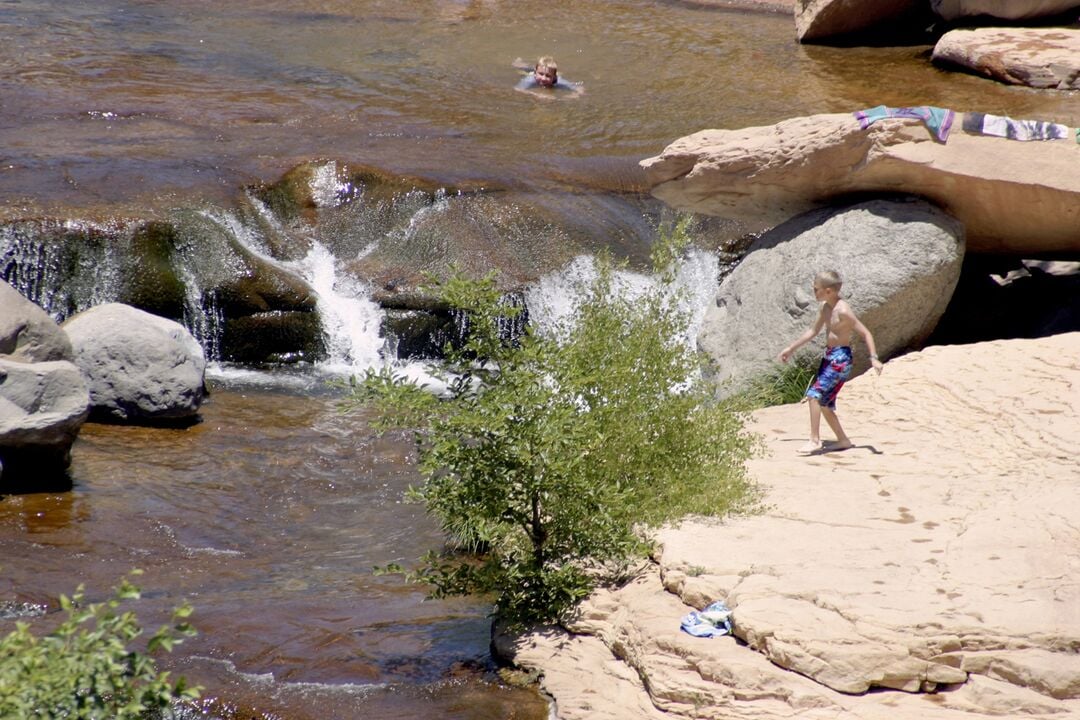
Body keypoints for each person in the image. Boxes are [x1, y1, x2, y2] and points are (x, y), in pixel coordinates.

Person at [777, 270, 883, 455]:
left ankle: (814, 440)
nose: (813, 291)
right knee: (824, 403)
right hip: (829, 357)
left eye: (816, 289)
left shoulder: (843, 311)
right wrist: (791, 348)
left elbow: (866, 333)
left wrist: (874, 358)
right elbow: (813, 331)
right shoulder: (826, 308)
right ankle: (843, 440)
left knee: (814, 395)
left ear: (828, 291)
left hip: (841, 359)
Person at [513, 56, 584, 97]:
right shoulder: (529, 80)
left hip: (545, 72)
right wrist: (537, 94)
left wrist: (573, 96)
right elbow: (517, 89)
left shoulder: (558, 81)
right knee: (522, 69)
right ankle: (519, 63)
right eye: (541, 74)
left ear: (554, 77)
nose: (543, 78)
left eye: (548, 76)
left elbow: (580, 88)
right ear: (536, 73)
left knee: (546, 70)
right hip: (531, 73)